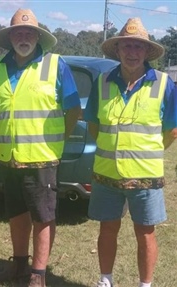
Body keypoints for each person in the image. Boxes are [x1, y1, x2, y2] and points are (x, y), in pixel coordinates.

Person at [0, 8, 81, 287]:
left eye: (29, 32)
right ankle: (18, 266)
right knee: (16, 214)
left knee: (43, 217)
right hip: (8, 158)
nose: (23, 36)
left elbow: (73, 110)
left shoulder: (55, 65)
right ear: (10, 37)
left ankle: (38, 275)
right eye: (18, 32)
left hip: (43, 159)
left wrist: (59, 141)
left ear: (38, 37)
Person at [84, 18, 177, 287]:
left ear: (147, 52)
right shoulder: (102, 83)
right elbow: (94, 125)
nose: (132, 52)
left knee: (145, 232)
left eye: (138, 46)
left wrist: (143, 153)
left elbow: (171, 130)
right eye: (127, 46)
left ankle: (145, 284)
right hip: (106, 175)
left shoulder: (163, 84)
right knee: (107, 228)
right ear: (118, 50)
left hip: (146, 176)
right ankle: (105, 280)